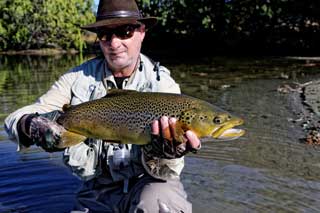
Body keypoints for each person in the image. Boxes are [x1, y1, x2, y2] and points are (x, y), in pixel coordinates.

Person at [4, 0, 201, 212]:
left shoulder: (163, 87)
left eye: (124, 31)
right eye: (106, 34)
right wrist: (31, 125)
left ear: (142, 31)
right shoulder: (76, 79)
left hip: (151, 185)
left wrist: (168, 152)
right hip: (97, 191)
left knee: (163, 204)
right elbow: (15, 118)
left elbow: (168, 173)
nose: (114, 43)